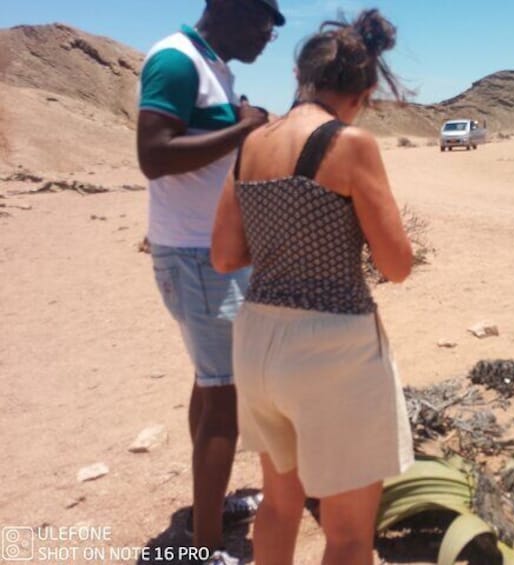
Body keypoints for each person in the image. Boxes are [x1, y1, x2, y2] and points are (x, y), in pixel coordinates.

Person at [210, 9, 414, 565]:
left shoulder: (250, 144)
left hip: (258, 343)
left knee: (278, 507)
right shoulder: (350, 144)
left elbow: (225, 254)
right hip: (332, 351)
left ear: (304, 78)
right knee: (348, 535)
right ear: (365, 90)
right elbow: (396, 264)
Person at [136, 0, 285, 560]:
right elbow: (153, 155)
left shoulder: (213, 66)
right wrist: (243, 130)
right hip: (196, 256)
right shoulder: (175, 61)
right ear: (229, 9)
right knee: (225, 397)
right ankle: (204, 548)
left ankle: (209, 504)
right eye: (264, 21)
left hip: (208, 252)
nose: (269, 35)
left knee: (210, 381)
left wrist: (241, 122)